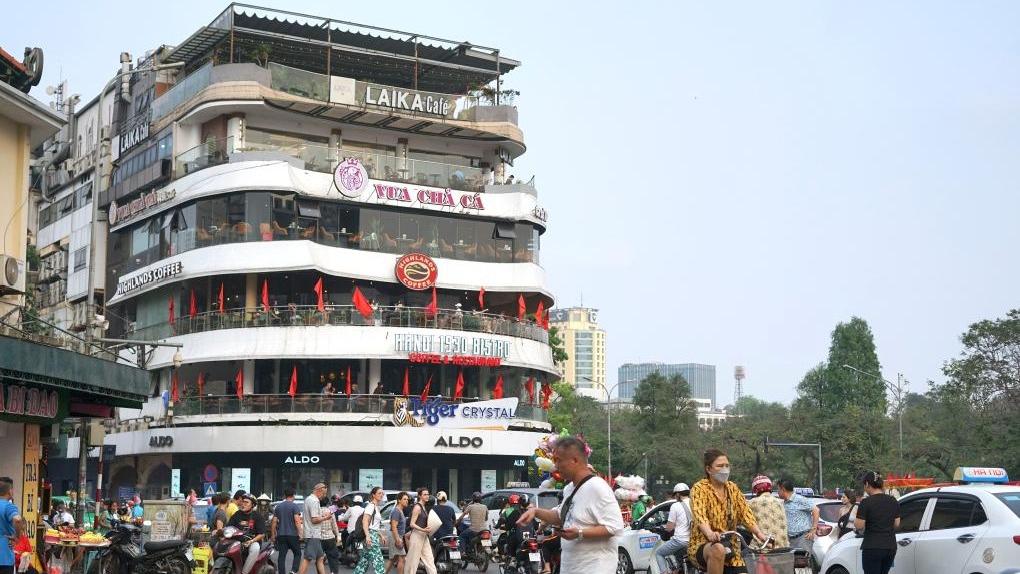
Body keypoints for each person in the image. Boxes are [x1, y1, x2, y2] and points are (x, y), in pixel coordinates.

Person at [516, 436, 625, 574]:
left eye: (558, 460)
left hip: (595, 568)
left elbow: (614, 527)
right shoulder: (570, 488)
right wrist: (535, 511)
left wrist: (579, 533)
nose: (555, 465)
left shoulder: (597, 487)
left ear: (575, 460)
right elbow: (559, 515)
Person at [688, 449, 769, 574]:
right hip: (704, 545)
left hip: (731, 548)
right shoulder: (699, 488)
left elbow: (745, 513)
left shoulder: (733, 488)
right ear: (709, 469)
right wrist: (710, 533)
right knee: (718, 549)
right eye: (720, 466)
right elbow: (700, 515)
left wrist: (759, 534)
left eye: (727, 465)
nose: (724, 469)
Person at [854, 471, 899, 574]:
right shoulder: (893, 501)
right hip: (890, 546)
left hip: (872, 546)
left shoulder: (866, 502)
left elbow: (859, 525)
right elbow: (897, 524)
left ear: (867, 484)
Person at [655, 483, 692, 574]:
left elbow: (669, 527)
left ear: (678, 494)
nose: (675, 498)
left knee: (659, 553)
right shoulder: (695, 503)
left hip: (680, 540)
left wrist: (664, 528)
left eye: (675, 495)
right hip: (694, 541)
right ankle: (679, 569)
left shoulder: (676, 506)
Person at [225, 494, 267, 574]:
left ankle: (244, 572)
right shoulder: (237, 514)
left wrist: (251, 541)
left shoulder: (257, 516)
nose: (243, 504)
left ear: (253, 505)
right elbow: (229, 527)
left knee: (255, 549)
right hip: (236, 541)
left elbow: (262, 534)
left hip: (252, 542)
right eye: (243, 502)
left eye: (246, 502)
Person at [776, 478, 819, 554]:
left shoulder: (800, 499)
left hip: (802, 539)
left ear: (783, 489)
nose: (777, 492)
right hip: (789, 540)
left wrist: (813, 530)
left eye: (778, 489)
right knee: (791, 563)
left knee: (803, 563)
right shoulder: (784, 503)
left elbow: (816, 510)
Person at [297, 484, 332, 574]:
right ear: (319, 490)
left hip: (312, 533)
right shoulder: (314, 501)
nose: (324, 496)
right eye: (324, 494)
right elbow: (314, 520)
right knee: (307, 558)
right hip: (313, 534)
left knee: (320, 558)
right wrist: (325, 518)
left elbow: (313, 517)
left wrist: (322, 516)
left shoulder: (308, 499)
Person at [747, 474, 789, 548]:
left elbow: (743, 518)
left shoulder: (752, 502)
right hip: (783, 546)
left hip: (763, 546)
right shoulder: (780, 502)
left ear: (755, 489)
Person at [403, 487, 437, 574]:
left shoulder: (424, 507)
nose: (427, 496)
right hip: (417, 535)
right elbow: (412, 524)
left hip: (424, 536)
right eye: (424, 494)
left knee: (429, 559)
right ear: (419, 496)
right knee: (413, 561)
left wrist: (428, 528)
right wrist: (423, 529)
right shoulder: (417, 507)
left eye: (428, 494)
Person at [353, 487, 386, 574]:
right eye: (379, 493)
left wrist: (381, 535)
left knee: (364, 562)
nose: (381, 495)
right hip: (370, 535)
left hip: (373, 534)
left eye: (382, 493)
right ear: (373, 495)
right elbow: (365, 521)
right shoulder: (370, 506)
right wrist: (368, 536)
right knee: (379, 560)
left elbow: (373, 525)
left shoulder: (375, 506)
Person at [271, 488, 303, 574]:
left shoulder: (278, 506)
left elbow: (274, 522)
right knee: (297, 553)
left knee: (282, 556)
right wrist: (300, 533)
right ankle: (293, 571)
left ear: (284, 496)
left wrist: (273, 535)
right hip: (292, 535)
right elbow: (297, 521)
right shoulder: (294, 506)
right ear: (293, 495)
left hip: (281, 535)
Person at [1, 477, 26, 574]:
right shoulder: (8, 506)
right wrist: (16, 537)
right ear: (10, 491)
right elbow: (18, 520)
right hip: (4, 558)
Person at [385, 492, 409, 574]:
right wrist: (397, 539)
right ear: (399, 500)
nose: (407, 501)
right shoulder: (396, 511)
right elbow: (394, 526)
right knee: (402, 558)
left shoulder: (400, 510)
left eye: (407, 499)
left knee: (393, 559)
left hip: (398, 536)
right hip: (396, 536)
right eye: (404, 499)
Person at [320, 495, 342, 574]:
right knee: (333, 557)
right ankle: (333, 572)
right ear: (327, 503)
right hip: (330, 538)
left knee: (319, 559)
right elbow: (335, 526)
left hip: (319, 539)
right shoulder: (330, 512)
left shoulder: (316, 512)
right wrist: (338, 536)